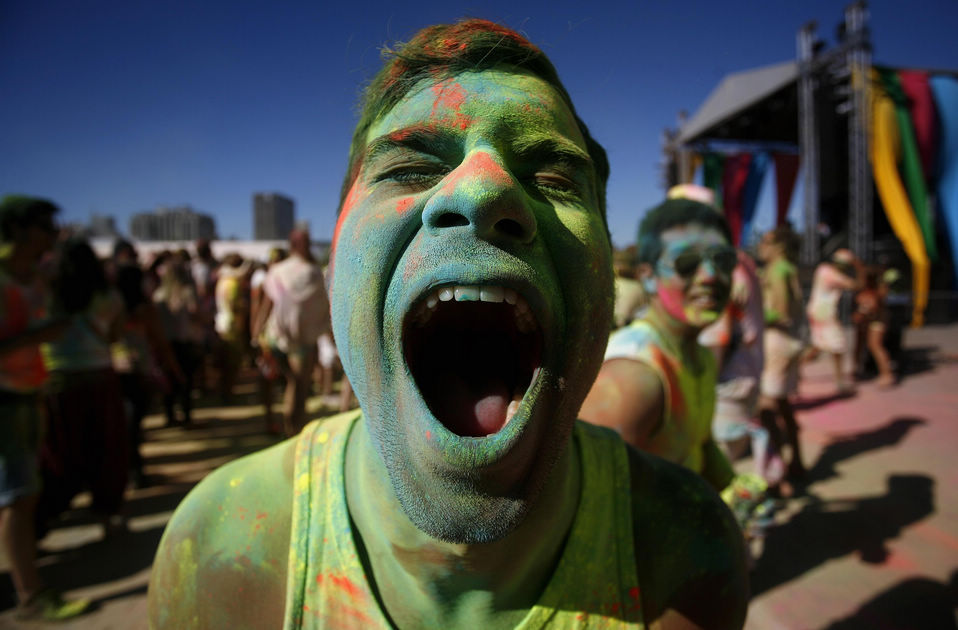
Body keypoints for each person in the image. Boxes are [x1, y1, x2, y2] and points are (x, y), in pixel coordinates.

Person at [149, 19, 746, 629]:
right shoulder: (224, 549)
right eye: (411, 168)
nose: (484, 190)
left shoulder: (683, 550)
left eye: (553, 178)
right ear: (335, 273)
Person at [580, 197, 738, 493]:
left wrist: (733, 490)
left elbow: (698, 441)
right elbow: (597, 502)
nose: (711, 276)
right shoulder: (632, 379)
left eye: (723, 261)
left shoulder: (699, 355)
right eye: (687, 264)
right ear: (648, 278)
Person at [0, 196, 89, 621]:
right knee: (17, 496)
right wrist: (38, 335)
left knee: (25, 492)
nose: (51, 234)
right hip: (6, 403)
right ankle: (29, 596)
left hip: (27, 396)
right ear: (19, 229)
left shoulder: (34, 278)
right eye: (43, 226)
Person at [252, 228, 329, 436]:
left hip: (274, 335)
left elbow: (265, 306)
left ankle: (275, 424)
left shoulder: (277, 271)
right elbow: (321, 307)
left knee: (273, 383)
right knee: (298, 386)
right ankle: (293, 430)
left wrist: (256, 334)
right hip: (300, 340)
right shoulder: (312, 273)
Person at [757, 226, 806, 485]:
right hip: (786, 343)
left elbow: (781, 312)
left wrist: (750, 314)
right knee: (783, 405)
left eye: (764, 241)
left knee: (766, 408)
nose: (760, 246)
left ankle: (779, 474)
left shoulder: (777, 269)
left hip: (776, 342)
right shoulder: (786, 268)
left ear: (778, 246)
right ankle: (796, 461)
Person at [806, 248, 862, 393]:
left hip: (816, 311)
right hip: (825, 313)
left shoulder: (822, 269)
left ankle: (794, 371)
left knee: (817, 346)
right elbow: (857, 285)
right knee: (838, 346)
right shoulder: (835, 276)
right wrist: (859, 266)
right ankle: (840, 382)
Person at [853, 267, 895, 388]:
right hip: (866, 322)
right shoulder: (866, 290)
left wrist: (861, 312)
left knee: (875, 345)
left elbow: (870, 307)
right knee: (860, 345)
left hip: (876, 322)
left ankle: (887, 374)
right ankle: (858, 369)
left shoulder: (876, 292)